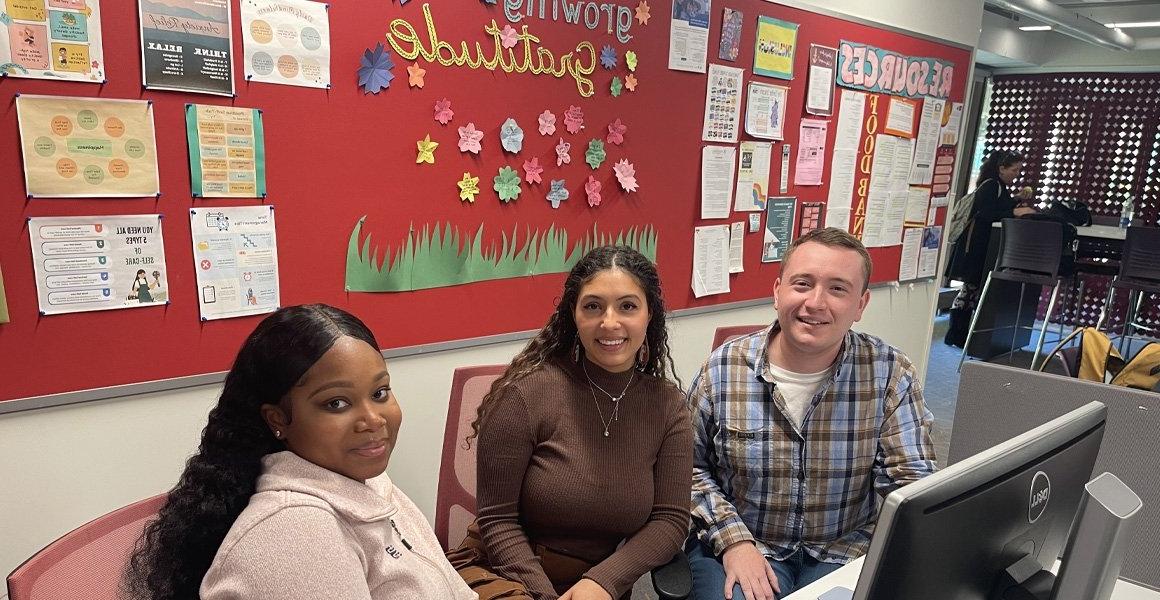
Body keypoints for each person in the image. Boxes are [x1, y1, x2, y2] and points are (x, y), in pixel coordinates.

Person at [124, 304, 475, 600]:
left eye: (380, 393)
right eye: (336, 403)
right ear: (278, 419)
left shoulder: (368, 482)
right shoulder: (295, 535)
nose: (372, 419)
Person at [686, 228, 937, 600]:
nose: (815, 302)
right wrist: (734, 541)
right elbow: (686, 469)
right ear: (777, 292)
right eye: (802, 284)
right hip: (748, 541)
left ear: (861, 305)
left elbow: (913, 480)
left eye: (838, 289)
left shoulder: (889, 372)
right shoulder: (723, 369)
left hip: (846, 546)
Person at [450, 246, 693, 600]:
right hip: (505, 574)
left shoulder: (667, 406)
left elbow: (670, 521)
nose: (610, 322)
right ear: (574, 315)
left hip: (595, 589)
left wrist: (604, 582)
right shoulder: (524, 395)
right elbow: (497, 521)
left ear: (649, 314)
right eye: (593, 306)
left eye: (627, 306)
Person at [944, 150, 1038, 347]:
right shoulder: (992, 186)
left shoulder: (996, 185)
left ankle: (957, 334)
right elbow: (988, 213)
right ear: (1001, 168)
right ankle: (957, 334)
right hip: (976, 247)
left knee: (970, 290)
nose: (1016, 174)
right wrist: (1015, 210)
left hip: (976, 246)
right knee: (970, 289)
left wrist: (1016, 199)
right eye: (1014, 169)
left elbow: (995, 208)